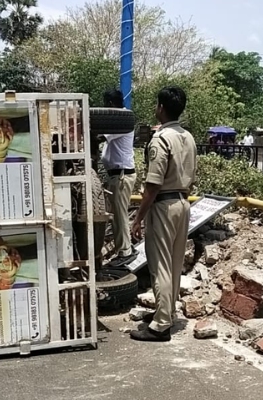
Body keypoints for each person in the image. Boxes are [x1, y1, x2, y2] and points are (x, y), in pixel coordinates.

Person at [129, 86, 197, 342]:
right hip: (183, 202)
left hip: (164, 205)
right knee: (175, 262)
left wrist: (138, 218)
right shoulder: (188, 137)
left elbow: (153, 185)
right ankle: (166, 311)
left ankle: (160, 325)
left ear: (160, 107)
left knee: (160, 264)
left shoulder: (160, 139)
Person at [100, 89, 138, 266]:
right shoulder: (120, 120)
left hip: (121, 175)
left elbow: (100, 136)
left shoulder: (121, 120)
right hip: (118, 174)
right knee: (117, 214)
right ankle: (126, 248)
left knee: (120, 215)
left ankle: (126, 252)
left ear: (110, 104)